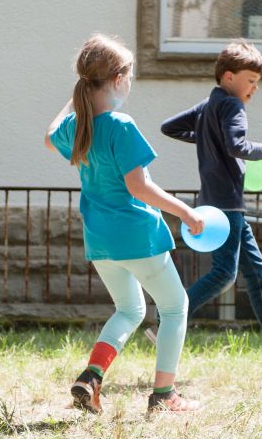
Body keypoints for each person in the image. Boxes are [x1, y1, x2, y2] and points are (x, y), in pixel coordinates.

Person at [45, 34, 205, 414]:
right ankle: (164, 394)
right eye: (130, 75)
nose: (130, 82)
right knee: (175, 306)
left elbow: (50, 137)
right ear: (118, 79)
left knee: (130, 310)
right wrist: (185, 211)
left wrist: (74, 100)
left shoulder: (77, 127)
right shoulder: (121, 125)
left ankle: (91, 377)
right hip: (137, 237)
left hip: (101, 240)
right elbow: (139, 187)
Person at [153, 39, 262, 375]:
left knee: (259, 274)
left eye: (257, 82)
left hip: (217, 202)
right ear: (229, 76)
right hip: (227, 204)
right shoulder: (232, 105)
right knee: (224, 273)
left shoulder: (209, 105)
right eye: (250, 80)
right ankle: (166, 321)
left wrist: (206, 139)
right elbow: (237, 145)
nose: (254, 88)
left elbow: (169, 127)